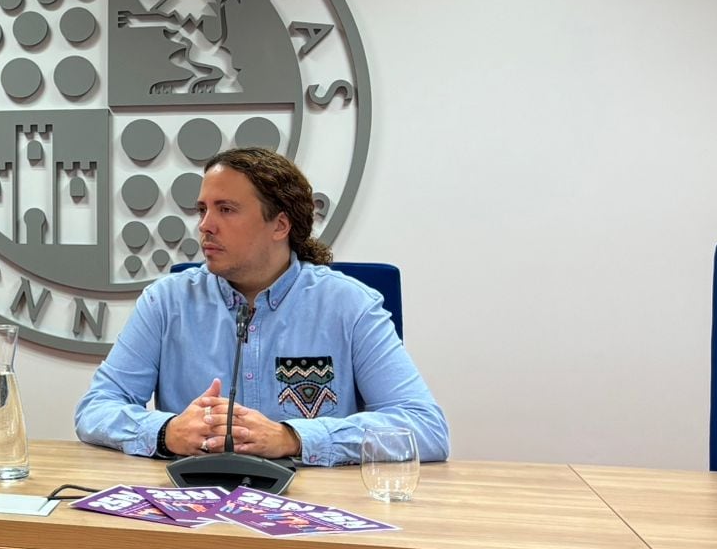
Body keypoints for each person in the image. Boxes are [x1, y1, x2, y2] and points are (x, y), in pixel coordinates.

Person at [75, 146, 447, 466]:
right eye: (202, 209)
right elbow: (95, 409)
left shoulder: (349, 305)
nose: (205, 225)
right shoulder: (166, 302)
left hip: (313, 520)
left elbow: (425, 428)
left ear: (280, 225)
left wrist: (294, 438)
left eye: (226, 209)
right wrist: (165, 431)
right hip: (195, 508)